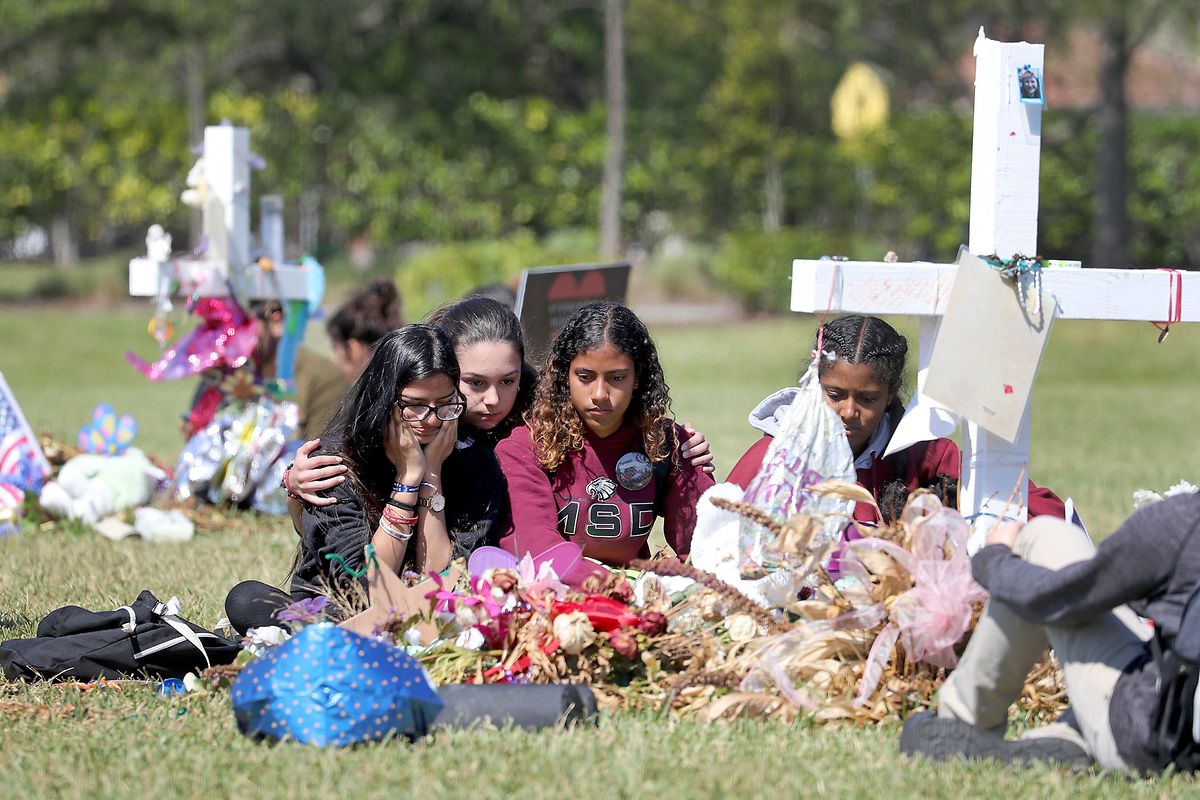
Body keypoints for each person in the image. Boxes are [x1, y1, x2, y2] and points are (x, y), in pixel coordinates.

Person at [288, 295, 715, 503]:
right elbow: (352, 449)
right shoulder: (413, 411)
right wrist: (293, 481)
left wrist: (678, 446)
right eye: (473, 383)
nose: (493, 400)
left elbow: (608, 421)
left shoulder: (539, 409)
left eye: (507, 381)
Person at [224, 325, 504, 634]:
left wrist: (432, 475)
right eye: (415, 405)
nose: (432, 419)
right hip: (342, 616)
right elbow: (362, 593)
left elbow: (444, 583)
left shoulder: (475, 462)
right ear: (384, 398)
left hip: (432, 621)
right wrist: (407, 479)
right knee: (247, 599)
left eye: (445, 404)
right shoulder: (334, 463)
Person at [900, 491, 1200, 772]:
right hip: (1181, 710)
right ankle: (1068, 735)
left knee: (1043, 535)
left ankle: (961, 720)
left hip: (1156, 738)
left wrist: (993, 559)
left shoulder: (1186, 522)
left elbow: (1062, 596)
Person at [725, 314, 1065, 526]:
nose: (848, 411)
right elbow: (716, 536)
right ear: (814, 385)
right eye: (835, 395)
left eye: (868, 399)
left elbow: (1031, 504)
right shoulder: (772, 458)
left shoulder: (924, 453)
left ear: (891, 395)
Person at [495, 301, 715, 567]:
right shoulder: (526, 447)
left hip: (638, 598)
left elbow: (708, 547)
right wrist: (611, 588)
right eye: (585, 377)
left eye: (617, 378)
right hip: (556, 597)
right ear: (565, 376)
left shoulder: (669, 444)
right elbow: (536, 549)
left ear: (638, 377)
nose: (600, 394)